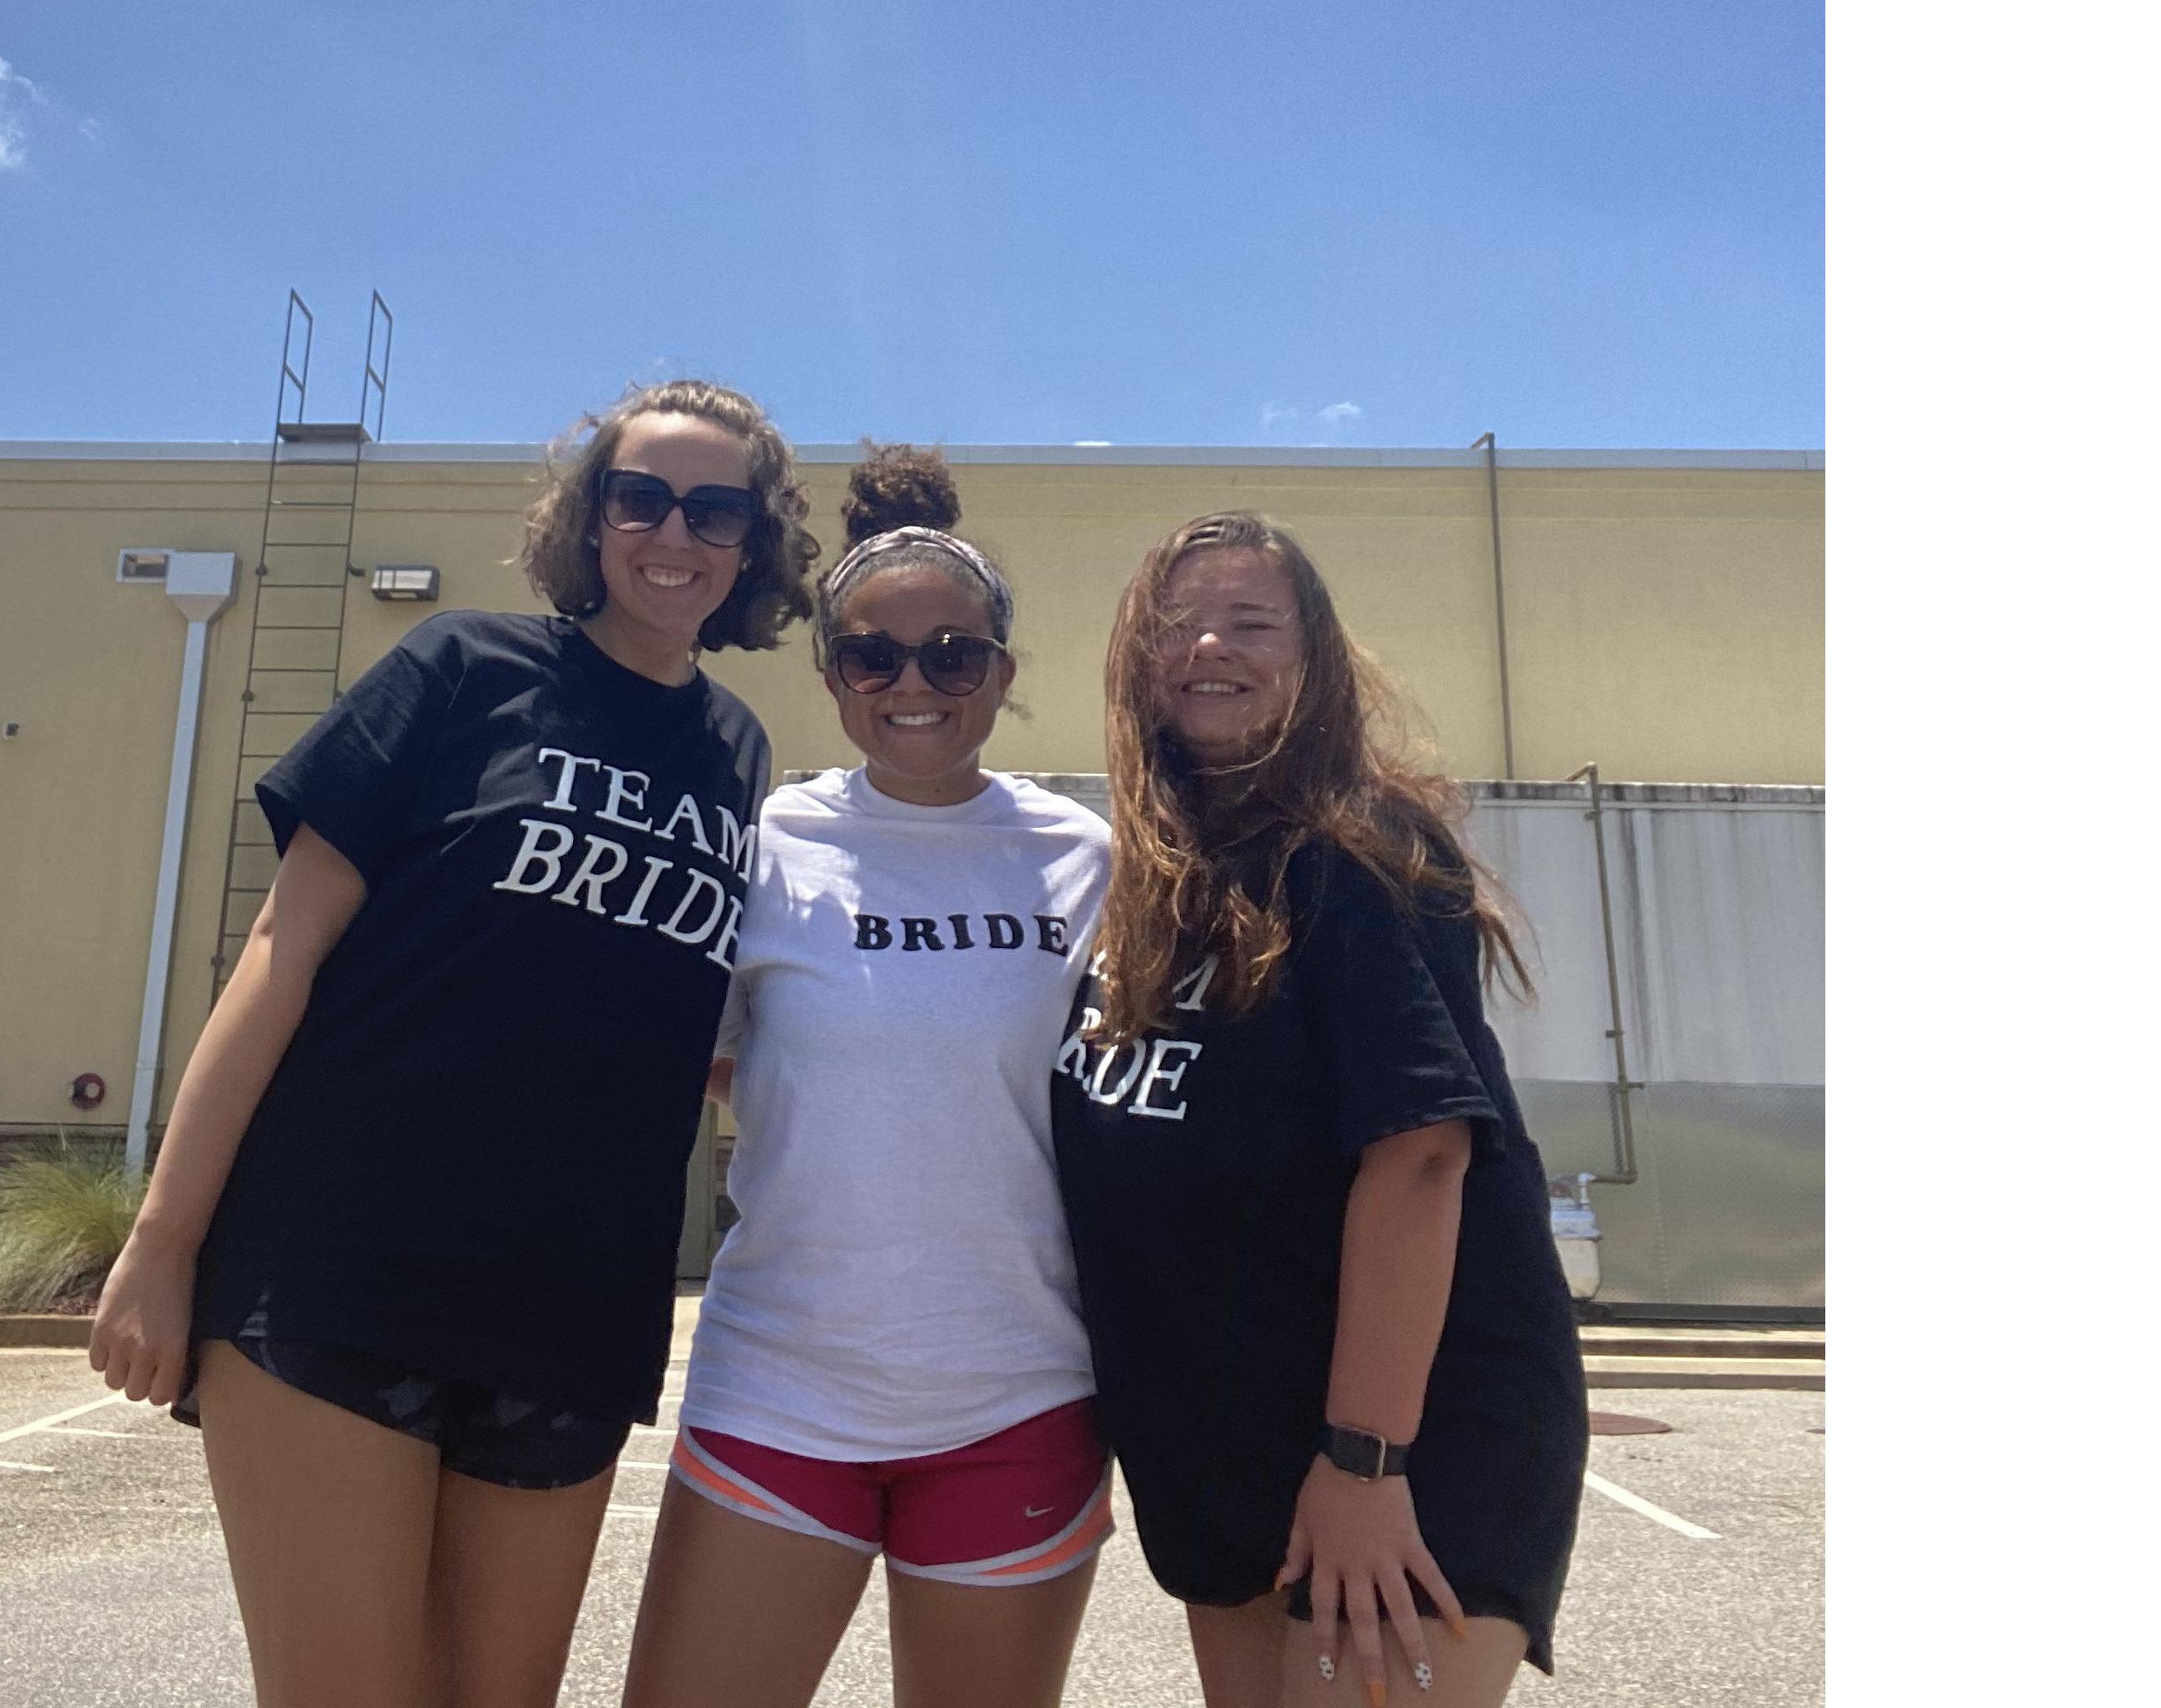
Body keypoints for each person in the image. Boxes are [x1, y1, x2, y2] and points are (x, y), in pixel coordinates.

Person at [88, 378, 819, 1708]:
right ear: (591, 517)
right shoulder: (463, 670)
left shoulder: (735, 751)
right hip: (343, 1267)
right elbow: (280, 951)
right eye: (640, 494)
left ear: (752, 542)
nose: (676, 530)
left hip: (573, 1310)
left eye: (715, 507)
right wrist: (164, 1241)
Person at [1051, 512, 1584, 1708]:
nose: (1209, 647)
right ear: (1138, 660)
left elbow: (1423, 1158)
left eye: (1251, 624)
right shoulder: (1162, 883)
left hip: (1403, 1447)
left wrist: (1366, 1463)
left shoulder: (1355, 853)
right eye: (1178, 624)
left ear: (1317, 662)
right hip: (1235, 1447)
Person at [622, 446, 1114, 1708]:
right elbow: (716, 1068)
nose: (914, 684)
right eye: (872, 657)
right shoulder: (765, 841)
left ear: (1000, 674)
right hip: (781, 1390)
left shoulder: (1086, 857)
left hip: (1019, 1395)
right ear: (832, 671)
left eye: (953, 655)